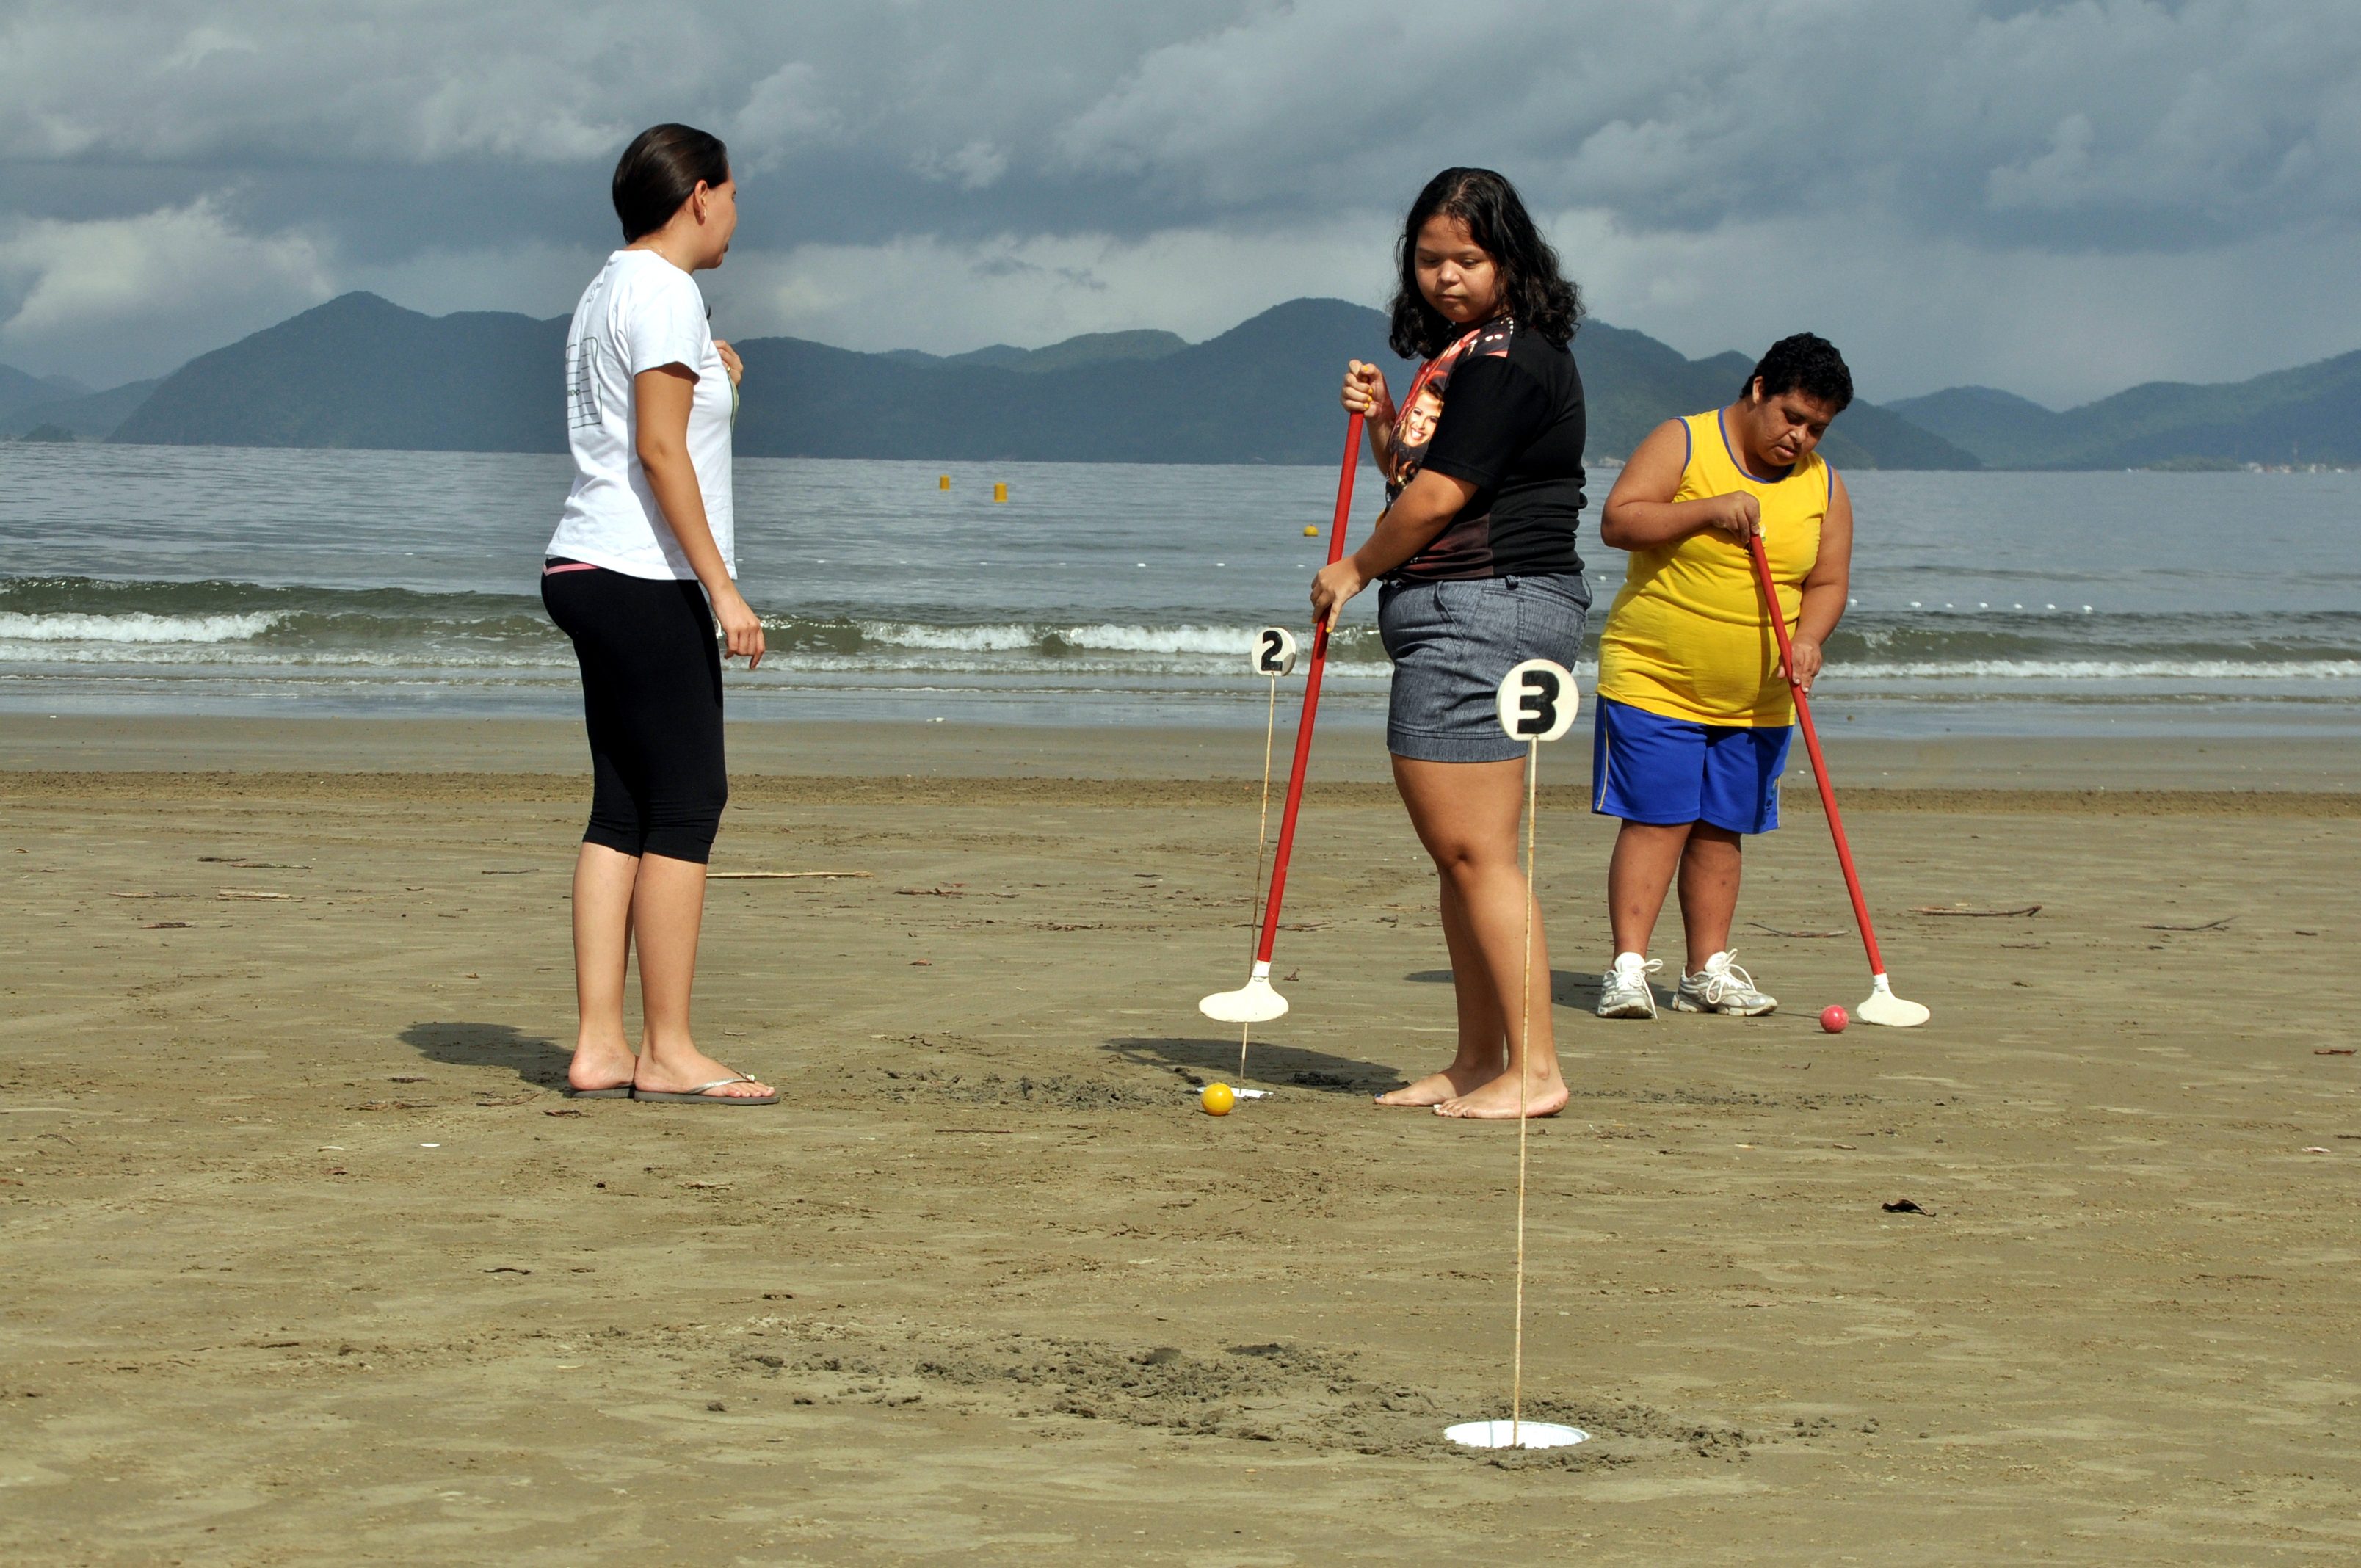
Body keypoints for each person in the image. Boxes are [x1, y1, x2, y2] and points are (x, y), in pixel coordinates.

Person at [1311, 167, 1589, 1119]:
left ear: (1510, 259)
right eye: (1429, 260)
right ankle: (1480, 1060)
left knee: (1481, 855)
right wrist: (1389, 419)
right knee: (1462, 857)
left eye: (1467, 258)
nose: (1446, 277)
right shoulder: (1469, 356)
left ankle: (1536, 1067)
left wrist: (1353, 569)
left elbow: (1439, 501)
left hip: (1488, 606)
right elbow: (1415, 475)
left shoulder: (1510, 356)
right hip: (1472, 608)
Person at [540, 123, 775, 1104]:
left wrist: (717, 382)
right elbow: (660, 452)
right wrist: (722, 588)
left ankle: (602, 1043)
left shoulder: (611, 288)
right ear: (700, 196)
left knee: (623, 807)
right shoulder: (669, 290)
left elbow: (657, 426)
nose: (736, 215)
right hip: (646, 578)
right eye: (733, 195)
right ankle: (668, 1049)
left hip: (585, 564)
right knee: (686, 804)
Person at [1589, 333, 1858, 1020]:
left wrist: (1809, 640)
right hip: (1656, 677)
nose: (1799, 438)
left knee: (1721, 827)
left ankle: (1706, 970)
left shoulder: (1824, 485)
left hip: (1759, 696)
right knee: (1657, 818)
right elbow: (1619, 522)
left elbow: (1827, 581)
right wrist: (1708, 509)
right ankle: (1627, 969)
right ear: (1760, 388)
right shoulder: (1684, 440)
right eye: (1792, 417)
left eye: (1817, 429)